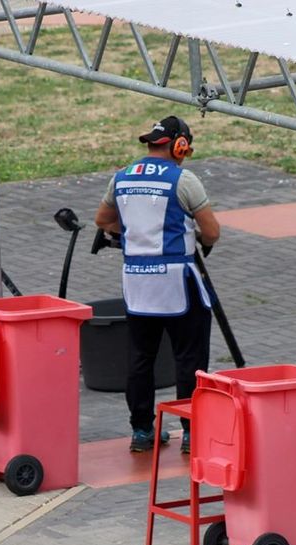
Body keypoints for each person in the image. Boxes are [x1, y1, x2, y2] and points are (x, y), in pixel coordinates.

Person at [94, 116, 221, 454]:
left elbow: (103, 220)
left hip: (137, 283)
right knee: (190, 358)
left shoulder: (121, 178)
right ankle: (192, 430)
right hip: (178, 281)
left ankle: (141, 430)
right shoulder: (184, 180)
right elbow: (211, 232)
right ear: (179, 145)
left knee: (139, 357)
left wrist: (135, 234)